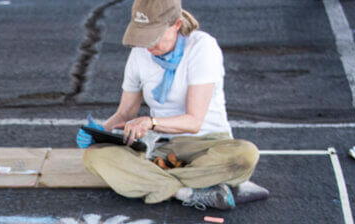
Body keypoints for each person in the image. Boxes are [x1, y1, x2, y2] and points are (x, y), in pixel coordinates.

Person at [78, 0, 269, 211]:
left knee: (245, 155)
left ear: (177, 24)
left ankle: (155, 181)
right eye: (143, 36)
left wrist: (151, 122)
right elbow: (125, 113)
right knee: (94, 157)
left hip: (210, 145)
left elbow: (194, 122)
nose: (149, 45)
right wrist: (100, 132)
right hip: (162, 147)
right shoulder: (140, 53)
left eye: (155, 36)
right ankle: (189, 191)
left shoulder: (202, 47)